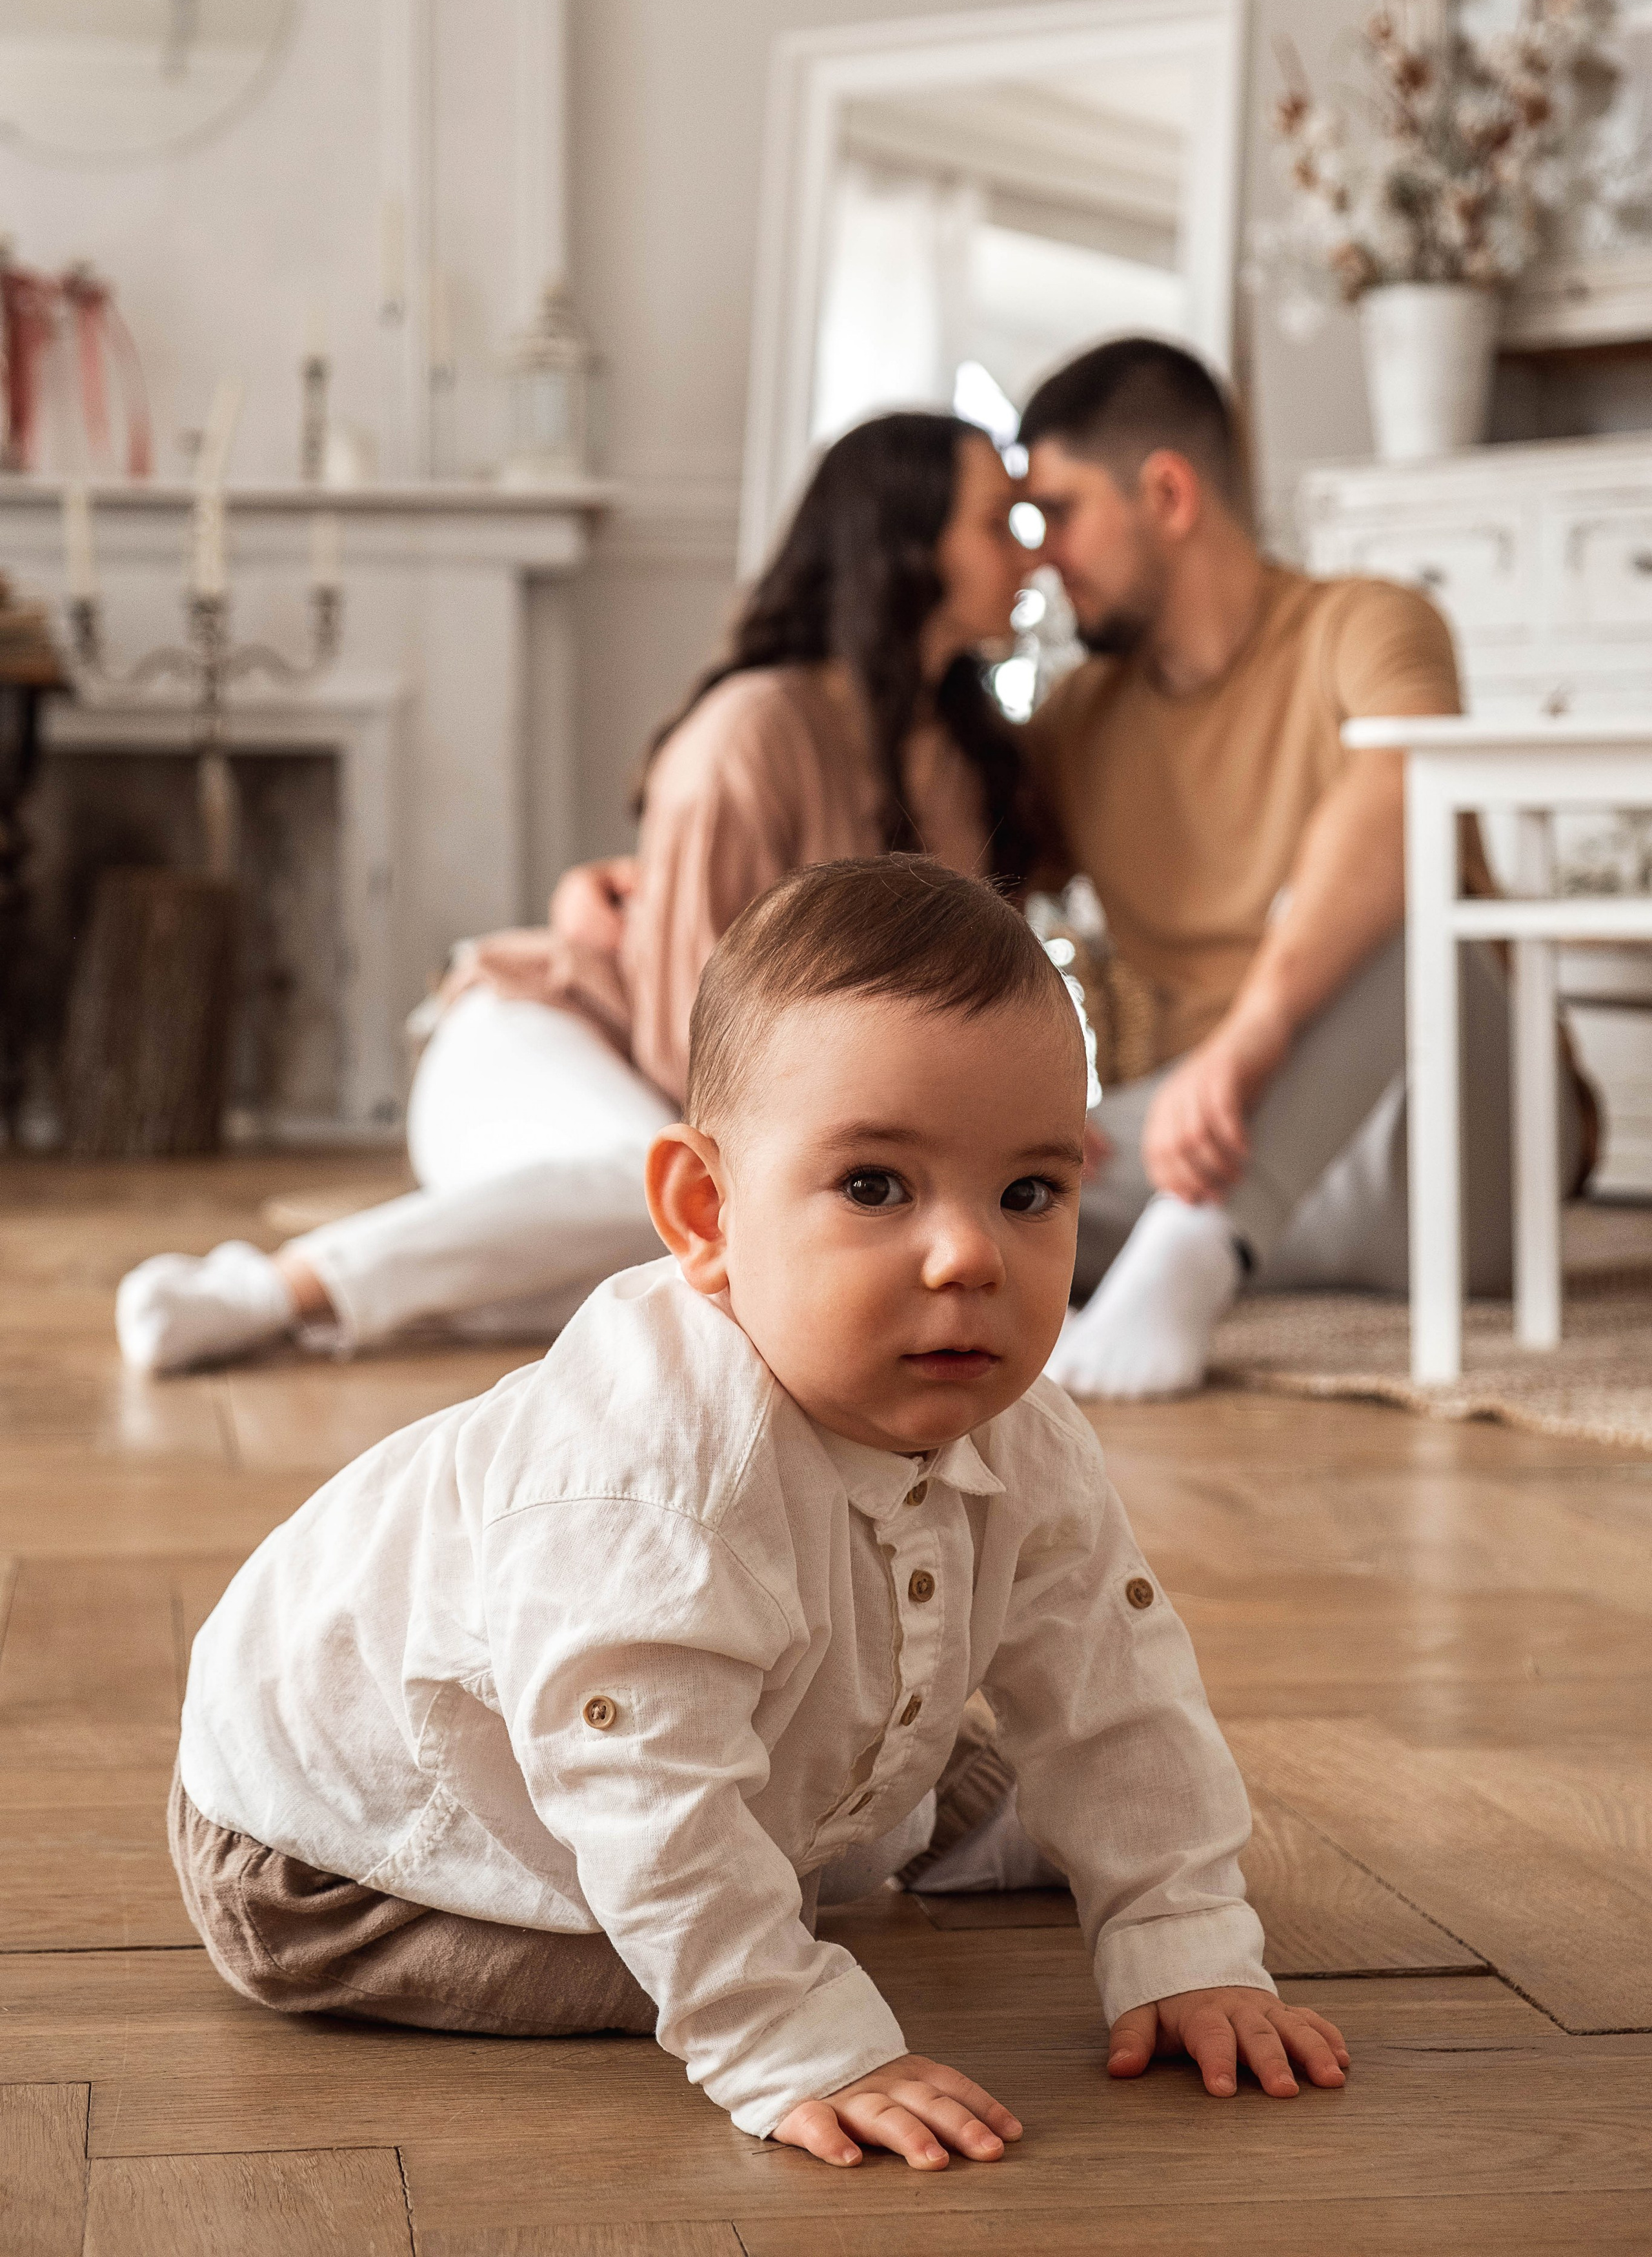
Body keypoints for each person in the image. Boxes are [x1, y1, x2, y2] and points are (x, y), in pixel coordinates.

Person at [169, 858, 1349, 2163]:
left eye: (1029, 1193)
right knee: (691, 1939)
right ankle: (807, 1910)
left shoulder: (1026, 1433)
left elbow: (1114, 1683)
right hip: (343, 1848)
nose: (968, 1257)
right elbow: (645, 1804)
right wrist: (793, 2035)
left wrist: (1181, 1936)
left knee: (986, 1740)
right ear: (703, 1212)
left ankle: (897, 1846)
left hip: (690, 1717)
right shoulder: (646, 1481)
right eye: (874, 1187)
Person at [116, 412, 1034, 1373]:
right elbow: (687, 1037)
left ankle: (384, 1289)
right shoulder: (746, 736)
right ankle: (273, 1289)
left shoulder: (970, 764)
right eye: (998, 523)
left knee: (716, 1267)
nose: (1028, 555)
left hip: (711, 1109)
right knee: (686, 1209)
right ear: (905, 544)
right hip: (541, 1036)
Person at [1018, 336, 1589, 1401]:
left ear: (1169, 492)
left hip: (1443, 1149)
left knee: (1413, 903)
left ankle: (1191, 1253)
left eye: (1058, 514)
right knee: (995, 1176)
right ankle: (1186, 1241)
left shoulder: (1365, 624)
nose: (1043, 556)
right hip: (1221, 1149)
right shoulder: (1077, 723)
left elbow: (1392, 813)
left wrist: (1248, 1044)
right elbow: (949, 884)